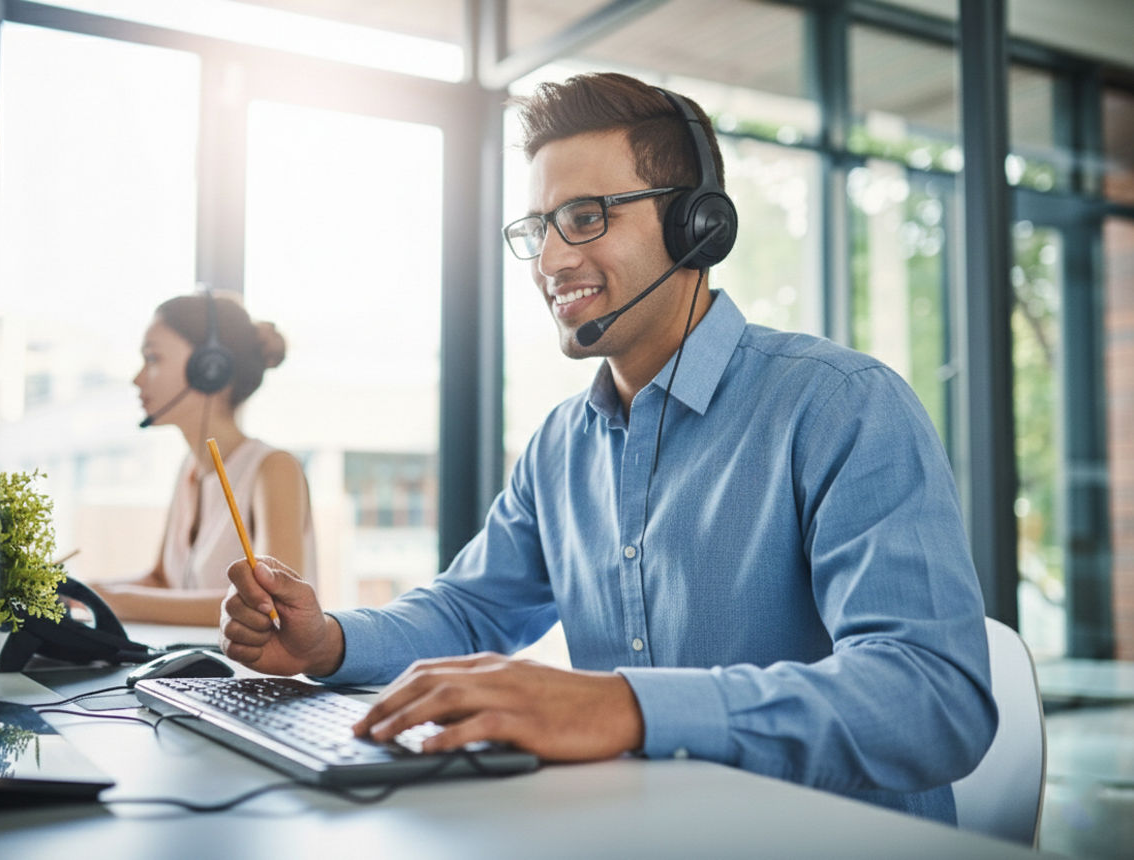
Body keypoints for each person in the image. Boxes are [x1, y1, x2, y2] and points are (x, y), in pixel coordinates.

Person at [218, 72, 996, 823]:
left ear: (699, 226)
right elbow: (471, 611)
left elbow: (933, 700)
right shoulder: (561, 443)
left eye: (587, 216)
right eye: (539, 228)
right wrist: (329, 640)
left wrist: (628, 705)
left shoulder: (840, 404)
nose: (552, 261)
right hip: (631, 830)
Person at [92, 290, 316, 626]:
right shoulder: (190, 470)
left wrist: (111, 600)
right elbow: (161, 582)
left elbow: (271, 604)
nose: (137, 378)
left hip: (253, 678)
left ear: (209, 368)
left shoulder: (274, 469)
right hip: (191, 675)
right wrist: (78, 591)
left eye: (153, 359)